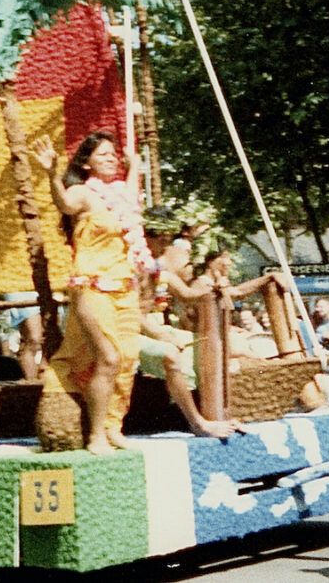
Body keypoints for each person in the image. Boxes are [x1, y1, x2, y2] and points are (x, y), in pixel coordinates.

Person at [33, 132, 147, 454]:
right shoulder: (83, 193)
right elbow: (64, 204)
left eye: (114, 155)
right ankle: (96, 434)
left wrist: (134, 164)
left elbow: (133, 189)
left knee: (126, 360)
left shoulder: (122, 195)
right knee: (108, 357)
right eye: (103, 155)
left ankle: (113, 426)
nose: (111, 159)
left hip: (124, 287)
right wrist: (51, 172)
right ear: (86, 163)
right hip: (91, 285)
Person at [136, 222, 238, 438]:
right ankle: (195, 421)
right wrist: (158, 334)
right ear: (147, 240)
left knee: (203, 346)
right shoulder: (131, 270)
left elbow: (189, 295)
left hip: (157, 327)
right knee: (173, 354)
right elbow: (131, 312)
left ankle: (210, 409)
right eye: (161, 240)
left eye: (168, 241)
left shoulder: (162, 273)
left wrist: (215, 286)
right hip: (133, 328)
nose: (166, 246)